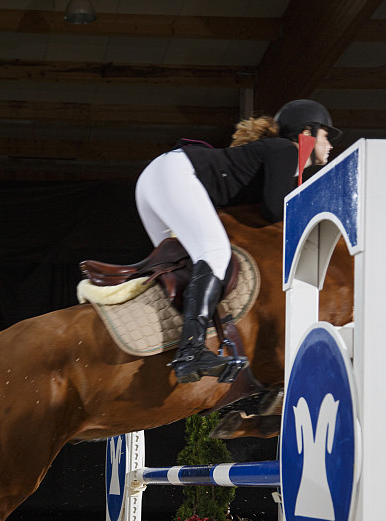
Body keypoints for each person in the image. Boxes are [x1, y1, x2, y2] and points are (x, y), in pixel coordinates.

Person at [135, 99, 342, 384]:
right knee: (215, 254)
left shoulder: (276, 156)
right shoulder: (286, 150)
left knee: (181, 268)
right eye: (326, 135)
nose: (330, 145)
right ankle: (191, 352)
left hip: (155, 179)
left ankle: (170, 345)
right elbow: (274, 210)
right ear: (307, 131)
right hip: (175, 174)